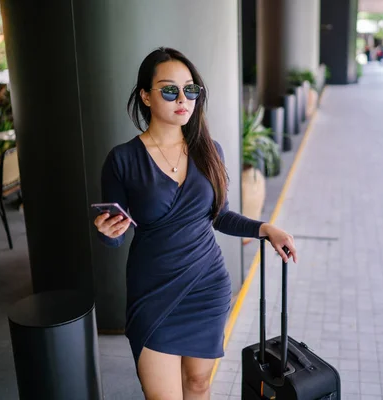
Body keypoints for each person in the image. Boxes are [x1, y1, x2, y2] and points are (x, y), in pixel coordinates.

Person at [94, 47, 298, 399]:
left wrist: (265, 229)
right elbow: (115, 233)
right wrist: (108, 234)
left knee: (199, 385)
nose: (182, 99)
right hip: (153, 292)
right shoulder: (123, 159)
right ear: (145, 95)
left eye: (190, 89)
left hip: (207, 287)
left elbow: (220, 216)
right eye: (169, 90)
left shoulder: (210, 150)